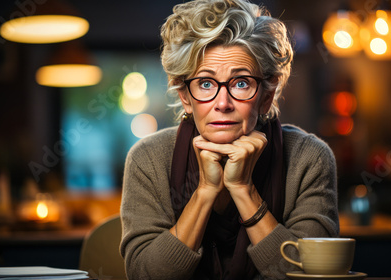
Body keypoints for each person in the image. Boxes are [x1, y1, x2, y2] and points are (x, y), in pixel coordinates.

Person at [119, 0, 339, 279]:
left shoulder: (309, 158)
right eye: (206, 83)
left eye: (241, 83)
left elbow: (311, 274)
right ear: (185, 96)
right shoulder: (148, 158)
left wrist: (243, 189)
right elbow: (144, 275)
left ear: (266, 97)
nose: (223, 103)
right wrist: (205, 192)